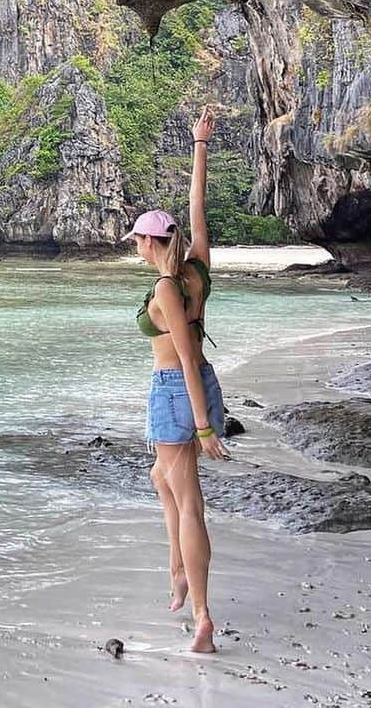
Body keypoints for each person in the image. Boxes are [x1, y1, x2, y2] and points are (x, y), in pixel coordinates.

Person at [126, 104, 231, 654]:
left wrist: (205, 427)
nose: (136, 248)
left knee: (188, 501)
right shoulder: (196, 270)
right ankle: (178, 570)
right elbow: (198, 211)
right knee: (160, 480)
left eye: (138, 241)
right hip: (195, 390)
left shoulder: (168, 289)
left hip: (176, 393)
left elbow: (186, 361)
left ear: (150, 243)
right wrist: (199, 146)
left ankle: (202, 615)